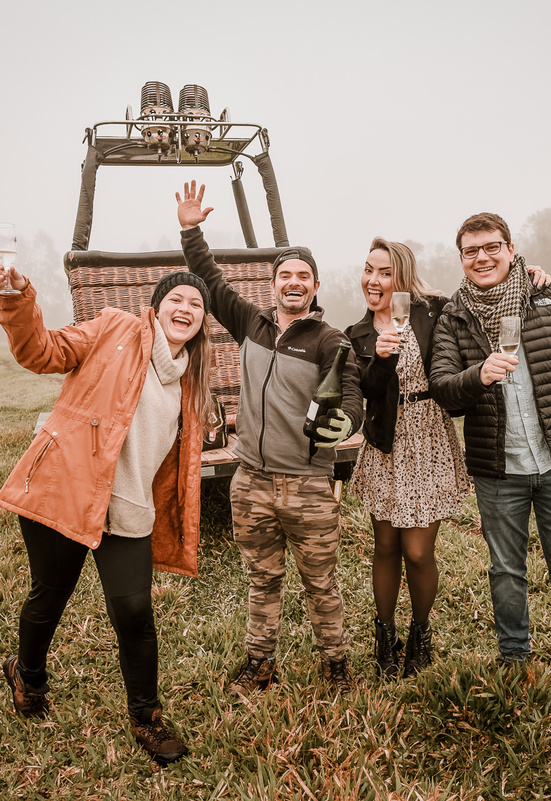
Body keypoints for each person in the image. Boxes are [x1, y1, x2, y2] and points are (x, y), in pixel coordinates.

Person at [0, 258, 215, 764]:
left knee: (134, 612)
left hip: (128, 505)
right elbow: (40, 351)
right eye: (176, 298)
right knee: (50, 596)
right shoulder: (114, 328)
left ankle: (146, 717)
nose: (186, 308)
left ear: (203, 322)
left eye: (196, 304)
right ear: (156, 309)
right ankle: (26, 675)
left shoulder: (190, 377)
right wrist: (16, 298)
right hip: (66, 487)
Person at [175, 180, 365, 696]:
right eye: (286, 275)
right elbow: (210, 283)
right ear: (273, 283)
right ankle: (260, 665)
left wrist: (344, 424)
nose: (294, 282)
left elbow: (351, 402)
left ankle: (336, 668)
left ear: (316, 286)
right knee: (262, 582)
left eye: (304, 276)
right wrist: (192, 229)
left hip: (308, 485)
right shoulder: (252, 325)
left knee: (321, 585)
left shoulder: (331, 341)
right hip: (250, 481)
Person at [429, 212, 551, 720]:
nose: (482, 257)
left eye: (492, 247)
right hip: (497, 470)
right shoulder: (455, 316)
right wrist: (477, 374)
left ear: (511, 249)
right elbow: (443, 388)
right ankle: (515, 663)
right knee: (506, 572)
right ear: (461, 259)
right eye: (471, 251)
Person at [346, 238, 551, 679]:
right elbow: (361, 389)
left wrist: (528, 275)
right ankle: (385, 636)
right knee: (384, 546)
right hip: (385, 444)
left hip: (429, 440)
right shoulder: (358, 334)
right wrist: (381, 359)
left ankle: (420, 633)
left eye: (383, 272)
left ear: (400, 276)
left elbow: (486, 291)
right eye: (368, 270)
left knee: (418, 552)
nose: (373, 280)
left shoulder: (435, 310)